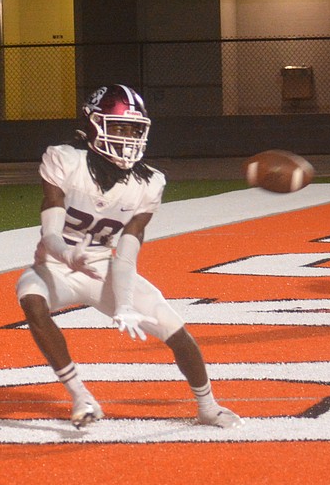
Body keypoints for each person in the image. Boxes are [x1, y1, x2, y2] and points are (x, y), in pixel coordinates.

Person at [15, 84, 243, 430]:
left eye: (135, 129)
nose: (128, 137)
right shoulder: (66, 159)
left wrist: (123, 304)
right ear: (94, 123)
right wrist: (64, 253)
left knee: (174, 329)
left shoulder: (149, 182)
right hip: (57, 265)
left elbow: (127, 251)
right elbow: (50, 224)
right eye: (119, 127)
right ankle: (81, 396)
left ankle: (208, 406)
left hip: (104, 267)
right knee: (31, 299)